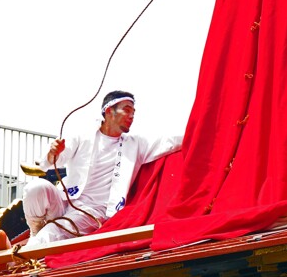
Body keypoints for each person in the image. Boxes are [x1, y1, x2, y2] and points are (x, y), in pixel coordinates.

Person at [22, 90, 182, 246]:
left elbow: (171, 141)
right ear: (108, 111)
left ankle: (21, 253)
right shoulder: (83, 134)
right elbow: (53, 160)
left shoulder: (136, 144)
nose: (132, 116)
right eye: (127, 110)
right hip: (65, 200)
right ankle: (35, 230)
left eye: (134, 112)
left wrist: (201, 126)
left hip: (92, 211)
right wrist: (53, 152)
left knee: (52, 232)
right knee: (35, 188)